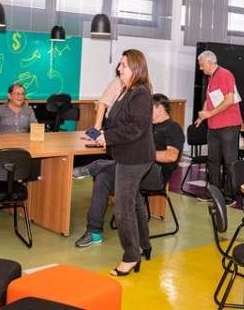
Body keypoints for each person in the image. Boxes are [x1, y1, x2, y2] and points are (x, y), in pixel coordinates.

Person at [75, 93, 184, 250]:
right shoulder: (146, 127)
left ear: (159, 108)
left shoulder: (172, 128)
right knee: (103, 177)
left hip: (154, 175)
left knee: (111, 166)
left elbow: (171, 156)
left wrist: (143, 152)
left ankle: (92, 167)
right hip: (134, 170)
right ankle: (94, 232)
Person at [93, 49, 154, 277]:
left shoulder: (141, 94)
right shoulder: (126, 90)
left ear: (136, 68)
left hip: (135, 158)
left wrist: (108, 137)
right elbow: (118, 121)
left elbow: (136, 127)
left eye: (123, 65)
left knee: (123, 208)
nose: (119, 68)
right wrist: (102, 133)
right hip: (127, 155)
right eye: (119, 64)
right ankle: (144, 245)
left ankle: (130, 256)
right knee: (134, 202)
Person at [195, 50, 243, 202]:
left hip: (228, 125)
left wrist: (209, 113)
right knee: (213, 161)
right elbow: (210, 99)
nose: (200, 68)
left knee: (230, 161)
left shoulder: (225, 74)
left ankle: (230, 195)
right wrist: (203, 115)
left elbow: (229, 100)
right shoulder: (212, 78)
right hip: (214, 126)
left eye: (202, 65)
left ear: (210, 63)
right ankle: (214, 193)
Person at [94, 63, 123, 130]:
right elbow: (102, 103)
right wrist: (97, 127)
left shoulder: (141, 89)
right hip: (113, 126)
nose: (119, 68)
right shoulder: (117, 82)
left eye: (124, 66)